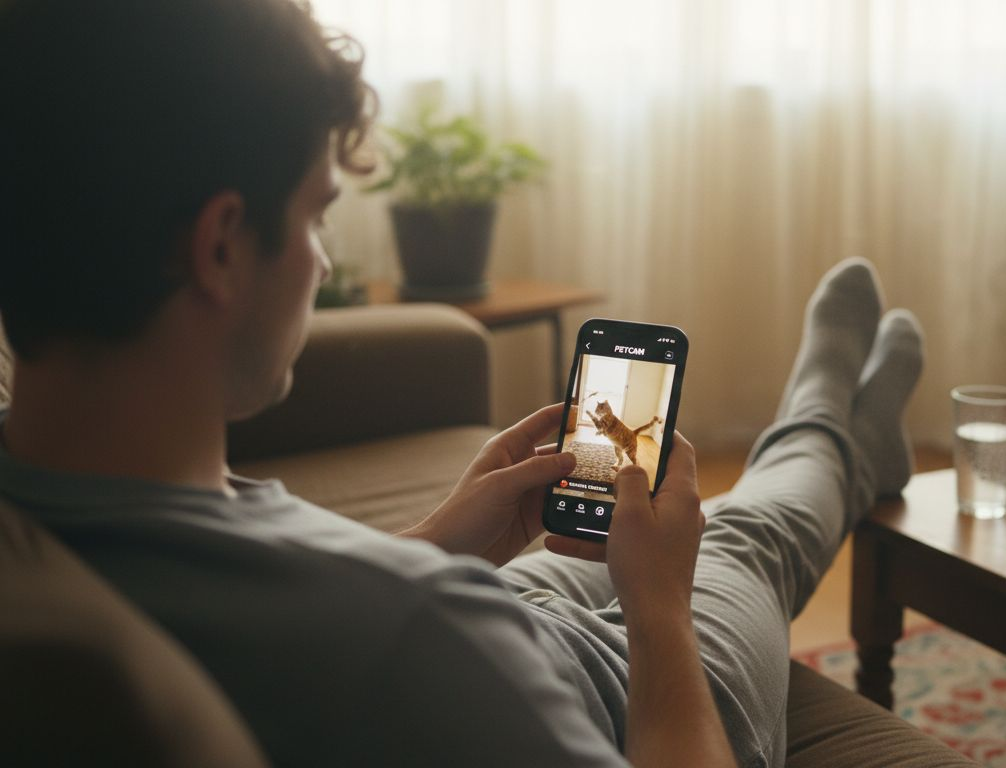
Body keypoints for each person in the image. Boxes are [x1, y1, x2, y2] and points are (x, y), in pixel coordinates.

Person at [0, 1, 924, 766]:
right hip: (596, 683)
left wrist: (434, 545)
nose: (323, 266)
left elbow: (305, 618)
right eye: (320, 215)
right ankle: (831, 436)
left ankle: (831, 433)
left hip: (484, 623)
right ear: (220, 247)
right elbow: (379, 641)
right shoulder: (416, 635)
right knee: (742, 532)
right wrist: (658, 611)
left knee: (607, 534)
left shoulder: (56, 510)